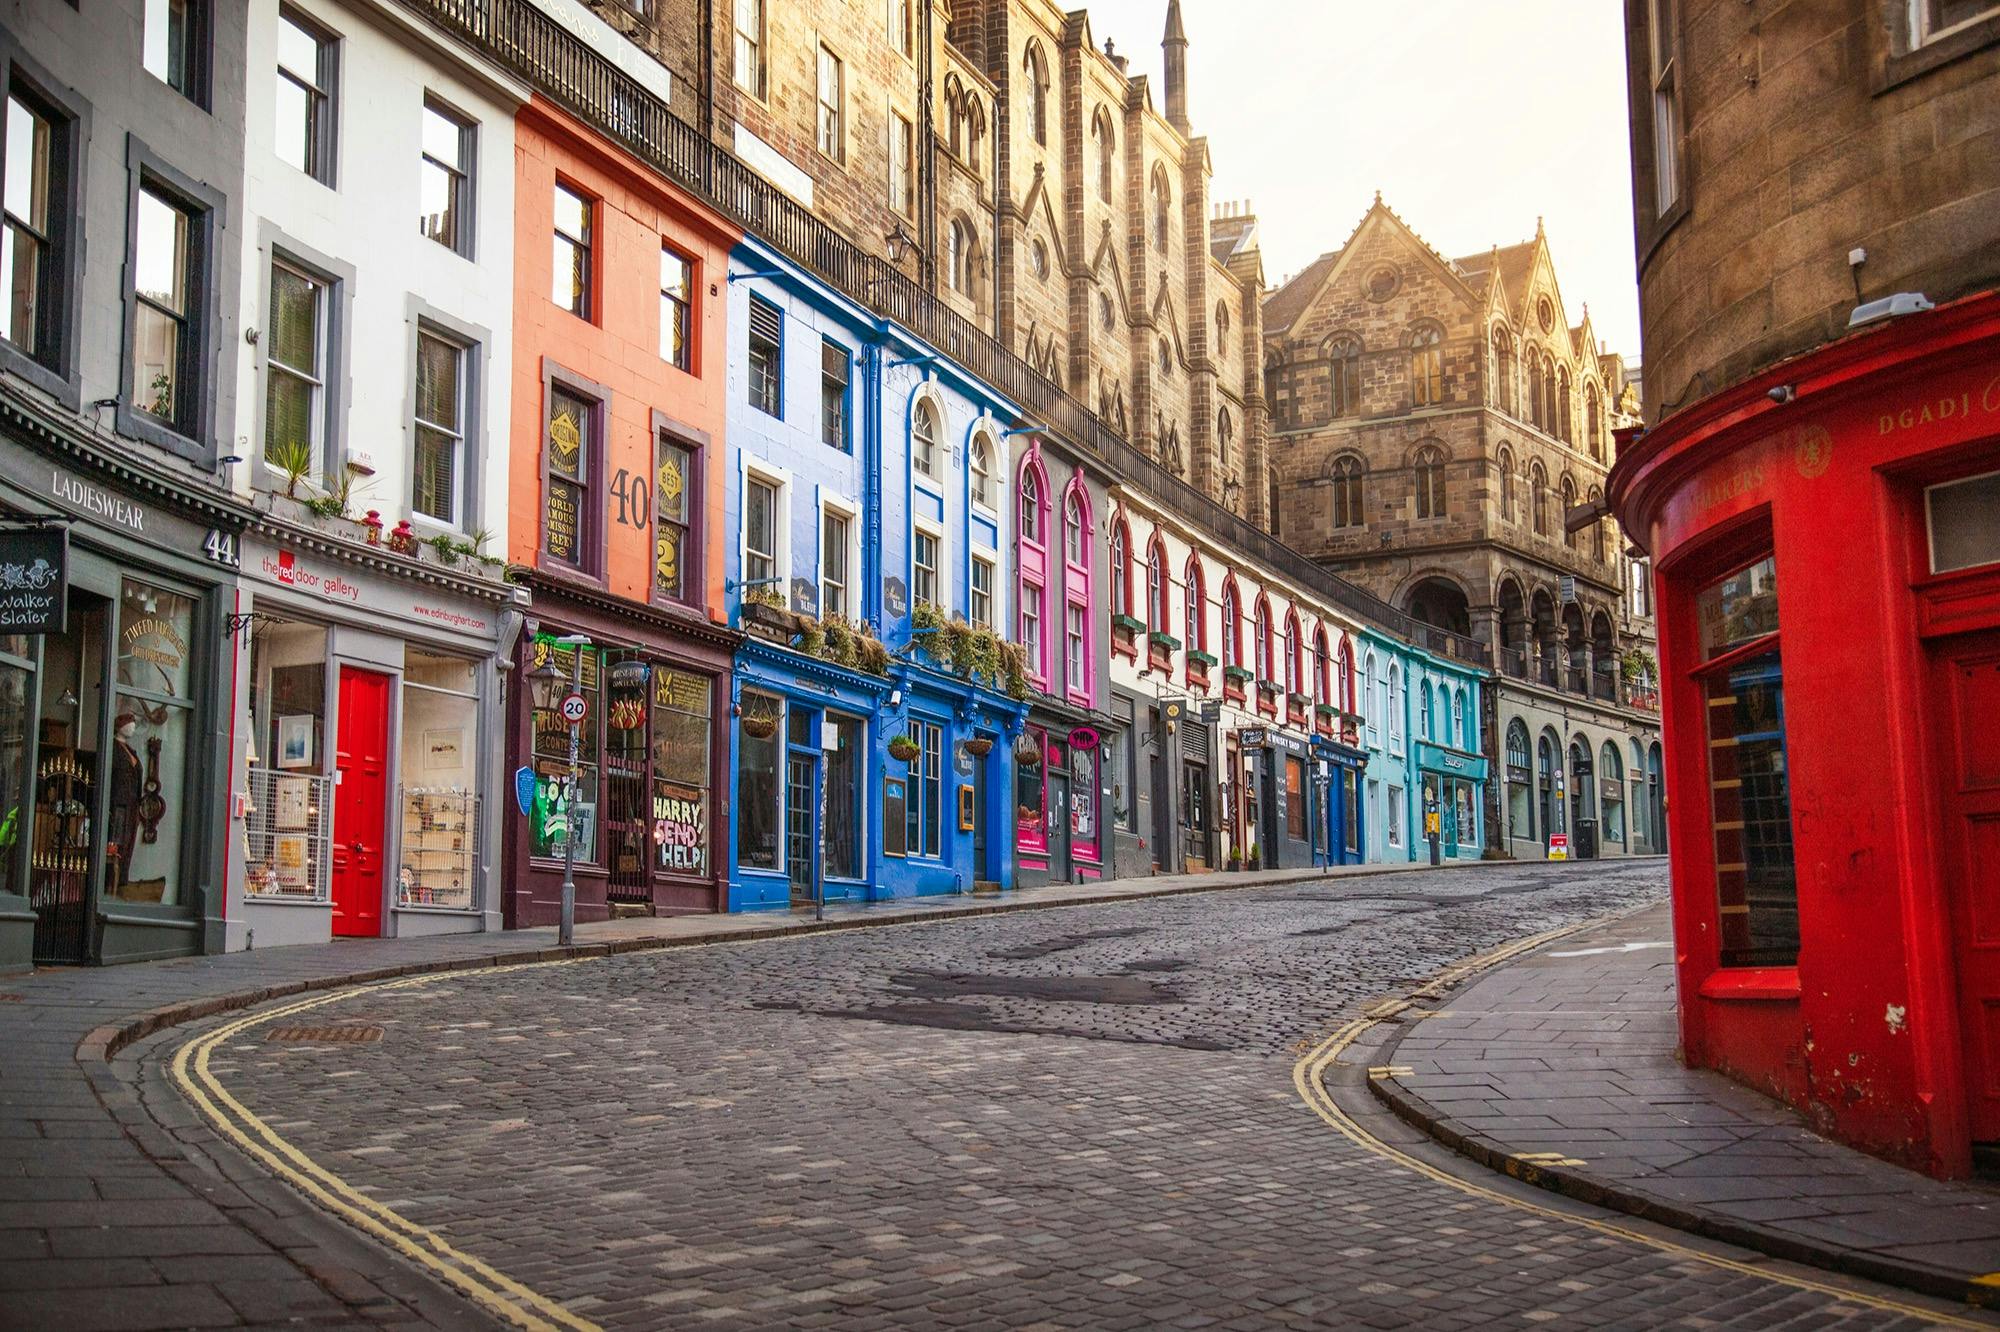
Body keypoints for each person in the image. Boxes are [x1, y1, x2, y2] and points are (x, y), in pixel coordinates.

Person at [106, 712, 141, 893]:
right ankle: (110, 883)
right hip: (119, 804)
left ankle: (121, 882)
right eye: (130, 723)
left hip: (132, 805)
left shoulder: (130, 750)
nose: (133, 727)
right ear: (121, 726)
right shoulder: (113, 749)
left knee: (127, 843)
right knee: (116, 842)